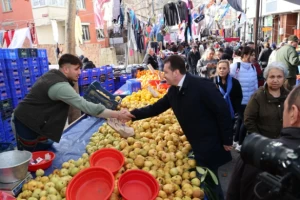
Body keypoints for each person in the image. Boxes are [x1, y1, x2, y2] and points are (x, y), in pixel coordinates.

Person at [130, 55, 233, 200]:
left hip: (210, 142)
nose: (163, 75)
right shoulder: (173, 91)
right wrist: (131, 114)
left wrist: (227, 138)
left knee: (211, 180)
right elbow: (156, 108)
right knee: (207, 179)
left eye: (165, 72)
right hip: (197, 143)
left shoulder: (201, 85)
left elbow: (222, 110)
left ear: (176, 72)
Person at [12, 54, 134, 152]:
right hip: (25, 123)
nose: (80, 72)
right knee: (30, 157)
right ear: (66, 69)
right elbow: (85, 106)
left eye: (80, 68)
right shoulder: (60, 86)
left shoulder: (54, 75)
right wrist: (117, 114)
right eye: (76, 69)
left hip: (39, 123)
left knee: (42, 149)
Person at [226, 85, 300, 200]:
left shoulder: (255, 155)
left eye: (285, 108)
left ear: (293, 113)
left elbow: (232, 195)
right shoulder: (258, 96)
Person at [244, 62, 289, 139]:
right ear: (266, 78)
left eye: (279, 77)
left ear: (284, 79)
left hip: (284, 142)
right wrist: (259, 139)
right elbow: (249, 120)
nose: (275, 80)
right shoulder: (258, 96)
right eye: (272, 77)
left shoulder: (289, 96)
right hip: (264, 142)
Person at [230, 46, 258, 151]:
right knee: (246, 121)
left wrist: (255, 96)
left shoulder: (253, 67)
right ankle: (240, 144)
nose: (254, 57)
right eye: (252, 55)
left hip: (250, 99)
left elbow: (255, 83)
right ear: (246, 55)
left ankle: (236, 140)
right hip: (239, 99)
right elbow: (230, 81)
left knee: (242, 121)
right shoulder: (235, 66)